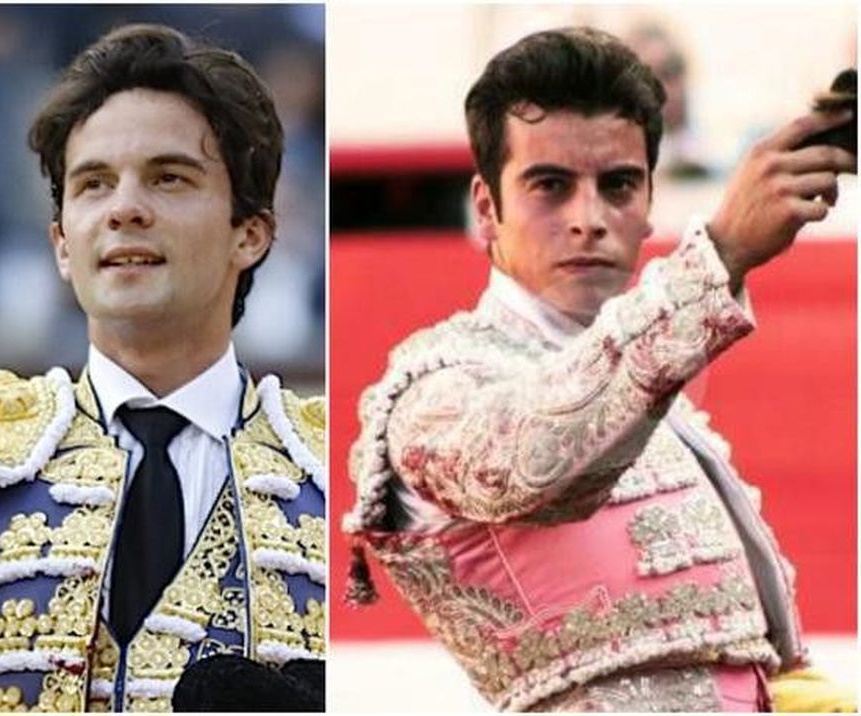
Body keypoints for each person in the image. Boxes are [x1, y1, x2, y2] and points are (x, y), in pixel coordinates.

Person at [0, 24, 325, 711]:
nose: (125, 209)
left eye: (168, 178)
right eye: (94, 184)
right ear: (62, 246)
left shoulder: (337, 474)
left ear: (250, 234)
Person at [341, 27, 855, 712]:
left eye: (618, 186)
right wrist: (720, 254)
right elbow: (531, 457)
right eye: (550, 186)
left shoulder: (661, 406)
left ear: (648, 205)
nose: (588, 219)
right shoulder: (434, 390)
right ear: (487, 209)